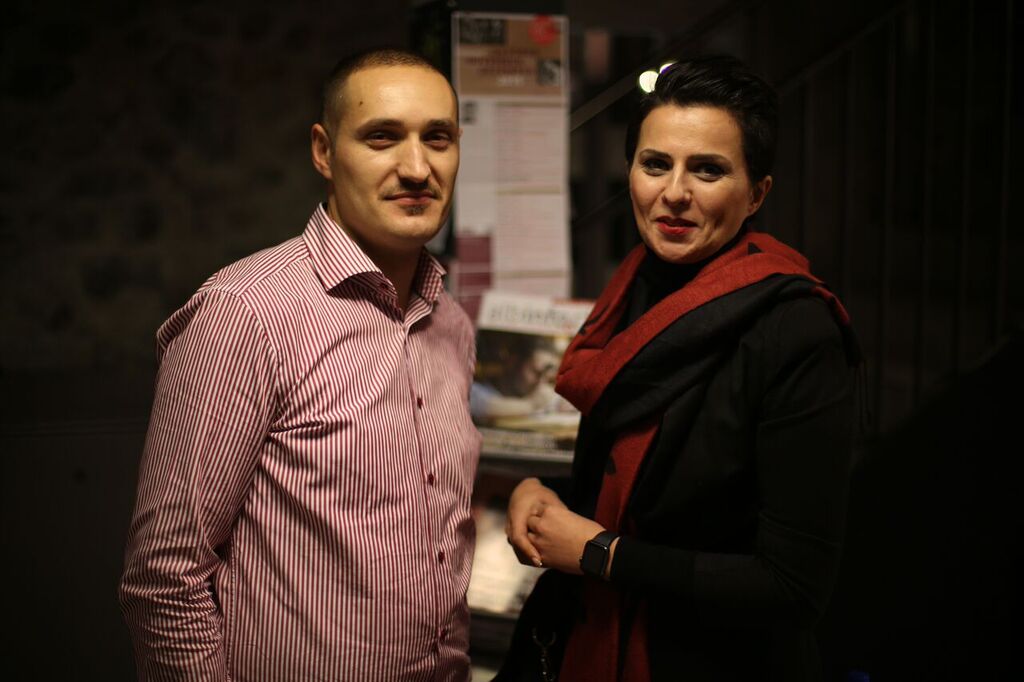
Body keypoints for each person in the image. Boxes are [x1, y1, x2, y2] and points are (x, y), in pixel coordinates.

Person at [119, 48, 481, 681]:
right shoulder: (246, 313)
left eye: (438, 138)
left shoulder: (450, 323)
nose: (417, 167)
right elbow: (164, 580)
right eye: (382, 137)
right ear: (323, 151)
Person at [502, 55, 861, 682]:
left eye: (708, 169)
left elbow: (792, 587)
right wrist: (546, 495)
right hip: (587, 637)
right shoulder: (635, 287)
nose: (674, 192)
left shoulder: (797, 331)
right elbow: (639, 488)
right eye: (655, 164)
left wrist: (599, 555)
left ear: (757, 193)